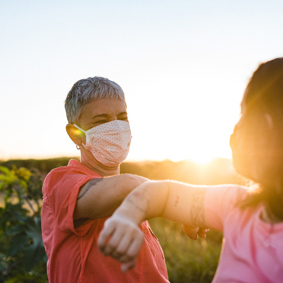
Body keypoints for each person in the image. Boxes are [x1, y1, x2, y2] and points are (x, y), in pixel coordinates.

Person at [98, 58, 283, 282]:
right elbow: (164, 194)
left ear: (266, 125)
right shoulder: (237, 204)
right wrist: (126, 217)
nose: (236, 126)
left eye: (244, 114)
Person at [41, 77, 174, 282]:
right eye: (101, 121)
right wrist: (183, 202)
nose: (116, 127)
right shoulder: (61, 182)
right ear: (76, 134)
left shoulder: (134, 193)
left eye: (122, 118)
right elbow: (125, 188)